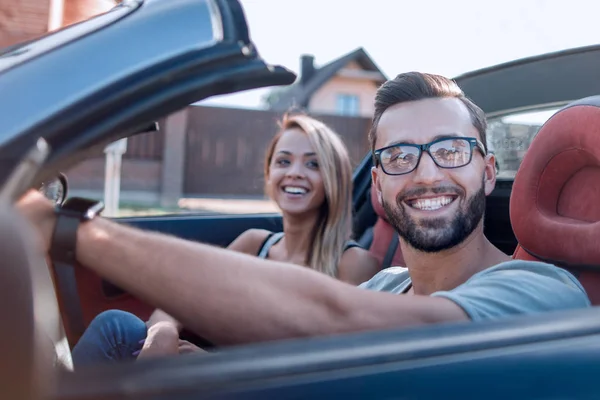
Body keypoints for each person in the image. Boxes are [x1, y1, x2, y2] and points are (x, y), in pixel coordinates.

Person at [18, 72, 590, 363]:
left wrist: (66, 228)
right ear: (379, 183)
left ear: (488, 172)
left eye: (450, 150)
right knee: (122, 335)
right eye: (397, 156)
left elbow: (342, 318)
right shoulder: (386, 283)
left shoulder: (541, 289)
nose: (424, 174)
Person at [69, 112, 381, 365]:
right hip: (216, 374)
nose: (295, 172)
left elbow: (329, 368)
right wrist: (162, 331)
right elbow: (182, 294)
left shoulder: (353, 264)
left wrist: (209, 363)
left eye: (313, 164)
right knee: (117, 326)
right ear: (269, 173)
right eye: (284, 161)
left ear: (334, 178)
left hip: (264, 388)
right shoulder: (254, 243)